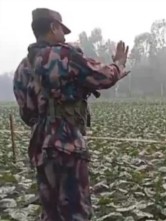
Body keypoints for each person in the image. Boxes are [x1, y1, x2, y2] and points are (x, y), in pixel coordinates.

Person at [13, 8, 130, 220]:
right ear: (52, 27)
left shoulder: (23, 67)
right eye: (61, 29)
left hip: (40, 146)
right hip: (67, 143)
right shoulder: (64, 55)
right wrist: (118, 65)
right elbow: (101, 76)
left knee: (50, 213)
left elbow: (26, 113)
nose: (64, 36)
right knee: (76, 211)